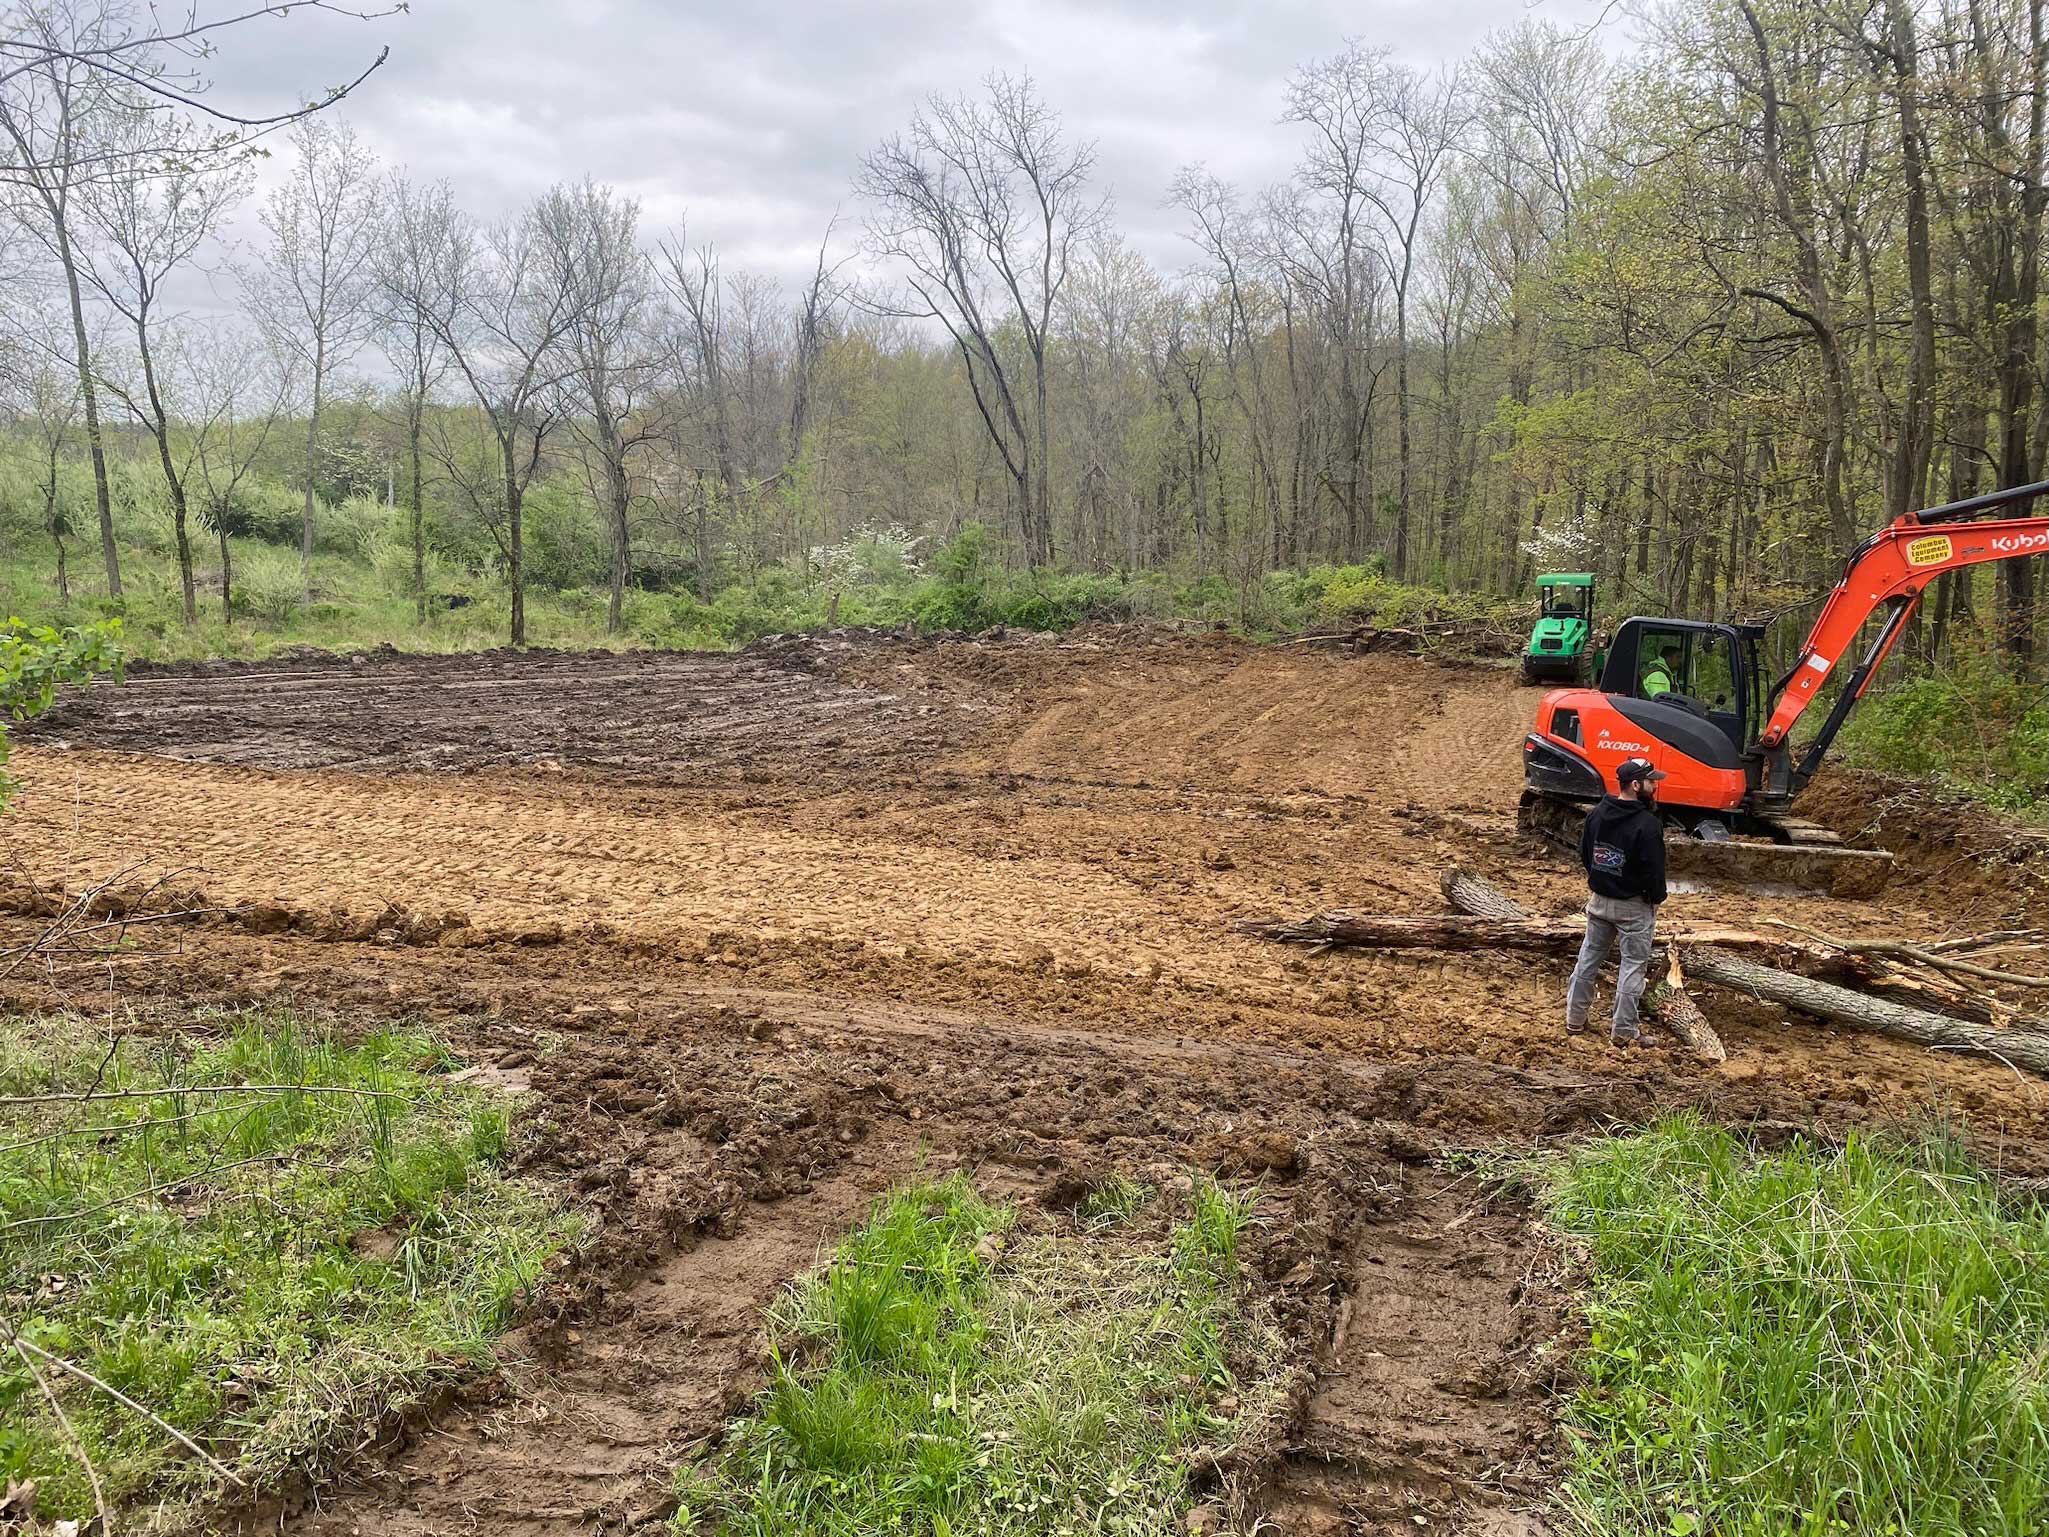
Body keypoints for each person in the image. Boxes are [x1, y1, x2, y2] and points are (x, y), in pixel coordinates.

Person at [1566, 756, 1668, 1046]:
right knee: (1632, 967)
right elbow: (1654, 869)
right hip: (1633, 907)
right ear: (1636, 785)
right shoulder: (1647, 825)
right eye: (1651, 782)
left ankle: (1574, 1019)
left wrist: (1602, 880)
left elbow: (1586, 855)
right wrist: (1656, 899)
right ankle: (1624, 1032)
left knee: (1588, 959)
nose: (1654, 786)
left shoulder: (1597, 813)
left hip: (1599, 902)